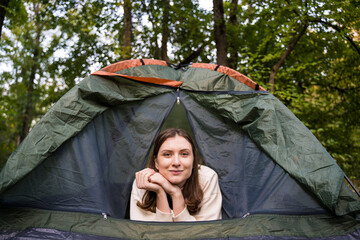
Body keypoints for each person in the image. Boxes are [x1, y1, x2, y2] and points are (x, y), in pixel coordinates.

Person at [130, 128, 222, 222]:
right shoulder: (144, 180)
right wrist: (160, 192)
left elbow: (205, 234)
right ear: (156, 162)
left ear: (193, 160)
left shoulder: (207, 178)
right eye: (167, 154)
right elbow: (150, 234)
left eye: (184, 154)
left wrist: (175, 193)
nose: (176, 162)